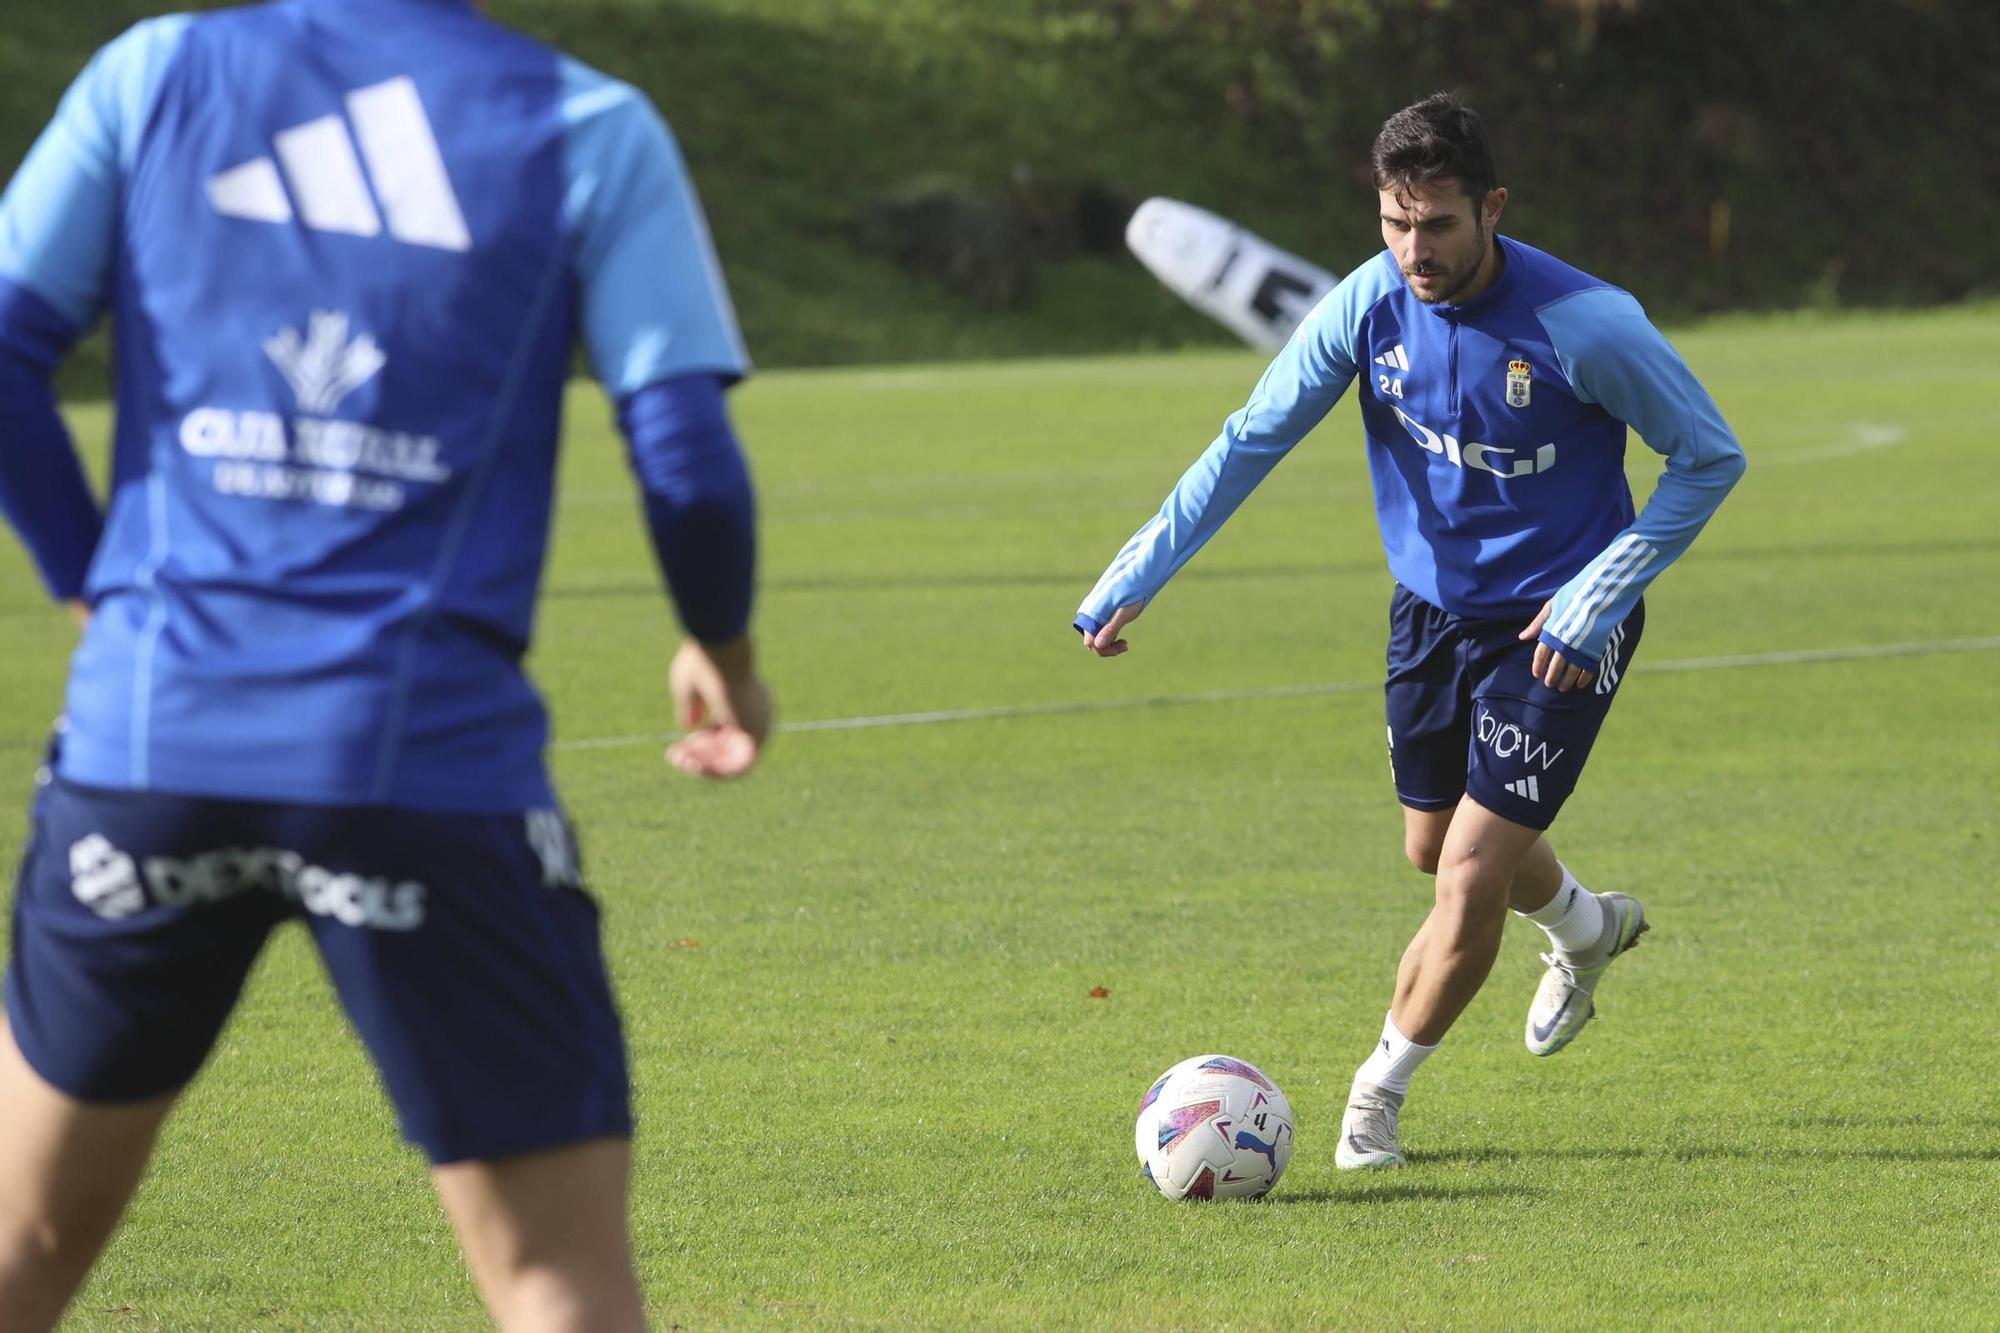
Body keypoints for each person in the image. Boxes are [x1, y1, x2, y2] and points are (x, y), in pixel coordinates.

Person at [0, 1, 771, 1328]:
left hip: (150, 745)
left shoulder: (157, 71)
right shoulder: (586, 124)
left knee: (23, 1245)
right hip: (423, 766)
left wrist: (87, 577)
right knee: (552, 1276)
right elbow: (689, 471)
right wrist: (723, 646)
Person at [1075, 92, 1745, 1169]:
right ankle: (1583, 928)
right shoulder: (1366, 305)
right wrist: (1138, 570)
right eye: (1393, 222)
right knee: (1430, 847)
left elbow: (1708, 456)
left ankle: (1368, 1105)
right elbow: (1251, 438)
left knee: (1469, 873)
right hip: (1429, 613)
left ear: (1491, 208)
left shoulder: (1587, 324)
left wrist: (1597, 595)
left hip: (1557, 625)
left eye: (1434, 224)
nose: (1412, 250)